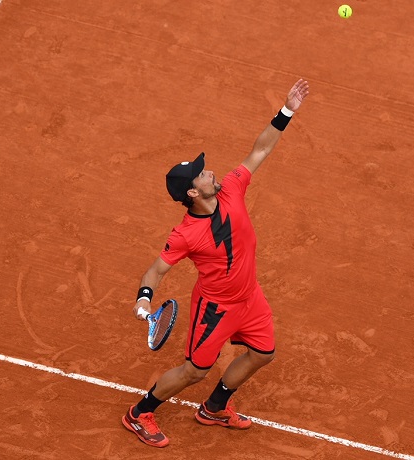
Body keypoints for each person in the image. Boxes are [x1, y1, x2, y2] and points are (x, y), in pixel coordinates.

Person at [122, 79, 311, 447]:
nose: (209, 171)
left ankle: (214, 407)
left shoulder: (231, 188)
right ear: (193, 192)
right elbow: (157, 269)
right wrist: (144, 297)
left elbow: (259, 151)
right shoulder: (185, 234)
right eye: (201, 172)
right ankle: (139, 413)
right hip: (216, 307)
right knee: (195, 370)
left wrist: (286, 110)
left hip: (249, 298)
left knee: (263, 353)